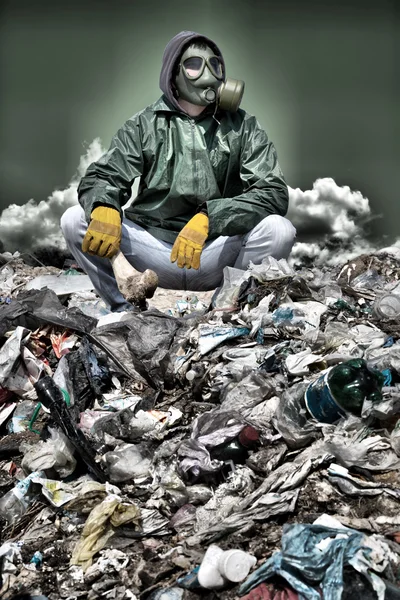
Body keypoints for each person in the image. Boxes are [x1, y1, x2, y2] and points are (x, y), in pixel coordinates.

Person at [60, 30, 296, 312]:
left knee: (278, 230)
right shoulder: (143, 126)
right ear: (173, 74)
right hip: (154, 251)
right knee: (76, 219)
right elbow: (105, 175)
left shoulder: (244, 127)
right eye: (195, 64)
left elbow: (272, 193)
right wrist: (104, 205)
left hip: (215, 252)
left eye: (215, 65)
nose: (209, 74)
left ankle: (226, 309)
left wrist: (210, 217)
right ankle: (126, 309)